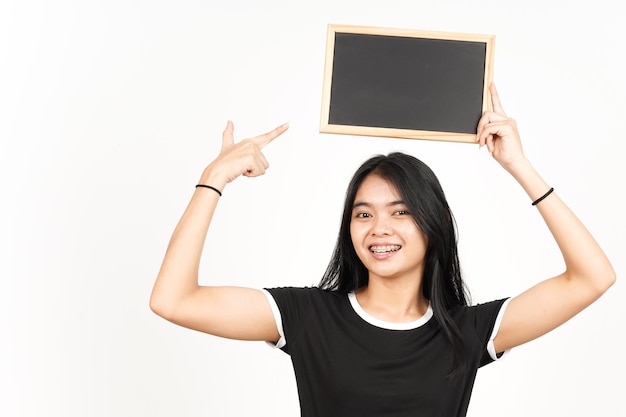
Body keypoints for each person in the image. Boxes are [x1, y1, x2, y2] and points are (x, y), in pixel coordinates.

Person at [149, 84, 615, 416]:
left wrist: (519, 165)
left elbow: (592, 277)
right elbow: (173, 300)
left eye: (401, 212)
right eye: (363, 214)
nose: (379, 229)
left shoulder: (467, 332)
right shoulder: (307, 316)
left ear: (434, 225)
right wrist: (214, 178)